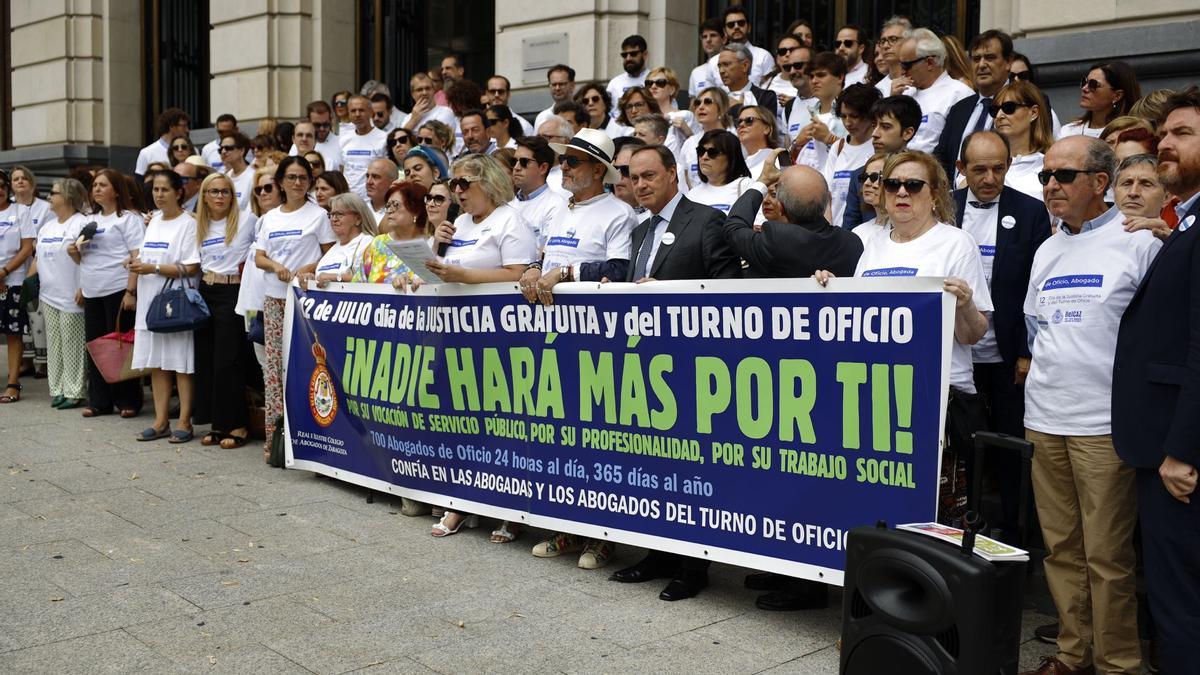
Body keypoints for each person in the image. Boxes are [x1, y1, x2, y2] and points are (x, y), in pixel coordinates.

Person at [1020, 136, 1159, 675]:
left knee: (1107, 558)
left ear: (1100, 184)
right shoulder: (1047, 249)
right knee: (1061, 552)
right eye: (1046, 176)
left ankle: (1119, 665)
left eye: (1064, 176)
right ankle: (1072, 656)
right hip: (1044, 420)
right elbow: (1037, 332)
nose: (1051, 185)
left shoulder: (1140, 244)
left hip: (1104, 425)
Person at [817, 150, 992, 527]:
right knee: (878, 506)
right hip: (876, 396)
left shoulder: (956, 243)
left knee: (937, 515)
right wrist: (827, 288)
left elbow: (974, 334)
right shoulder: (869, 243)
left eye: (913, 185)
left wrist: (963, 303)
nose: (901, 192)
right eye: (891, 184)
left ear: (935, 193)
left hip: (939, 398)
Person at [610, 144, 740, 601]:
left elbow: (729, 290)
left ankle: (693, 567)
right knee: (651, 465)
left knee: (690, 468)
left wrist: (672, 293)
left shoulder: (705, 221)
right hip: (645, 365)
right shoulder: (640, 230)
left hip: (692, 366)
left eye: (649, 176)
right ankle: (656, 554)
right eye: (633, 177)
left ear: (672, 174)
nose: (641, 184)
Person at [1112, 88, 1200, 675]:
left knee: (1181, 606)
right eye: (1163, 132)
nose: (1164, 142)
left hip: (1179, 456)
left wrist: (1181, 450)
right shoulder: (1186, 225)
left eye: (1183, 133)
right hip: (1167, 444)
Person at [427, 154, 538, 538]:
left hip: (498, 339)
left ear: (488, 182)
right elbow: (441, 270)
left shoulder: (510, 219)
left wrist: (465, 275)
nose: (456, 191)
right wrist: (436, 249)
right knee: (462, 423)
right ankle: (462, 501)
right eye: (453, 184)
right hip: (455, 335)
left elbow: (518, 274)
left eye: (464, 183)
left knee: (501, 424)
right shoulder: (457, 222)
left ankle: (511, 506)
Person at [952, 131, 1052, 539]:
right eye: (980, 169)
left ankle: (1015, 538)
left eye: (999, 168)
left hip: (1009, 353)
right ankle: (963, 532)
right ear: (961, 170)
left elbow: (1038, 284)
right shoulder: (946, 208)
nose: (990, 177)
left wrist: (1027, 351)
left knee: (1011, 450)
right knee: (963, 450)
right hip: (958, 355)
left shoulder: (1030, 211)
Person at [254, 157, 334, 460]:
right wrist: (275, 265)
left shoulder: (319, 215)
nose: (298, 182)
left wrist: (307, 267)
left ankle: (312, 437)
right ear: (281, 181)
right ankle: (275, 440)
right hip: (274, 298)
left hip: (306, 299)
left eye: (303, 177)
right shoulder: (271, 217)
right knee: (274, 370)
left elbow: (330, 254)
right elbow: (259, 257)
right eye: (292, 177)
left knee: (307, 366)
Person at [126, 170, 201, 441]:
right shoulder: (153, 220)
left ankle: (184, 421)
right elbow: (144, 256)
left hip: (175, 304)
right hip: (150, 300)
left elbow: (191, 267)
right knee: (157, 362)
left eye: (164, 190)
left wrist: (152, 267)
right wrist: (135, 267)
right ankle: (160, 421)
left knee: (180, 362)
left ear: (178, 192)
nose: (158, 195)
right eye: (155, 190)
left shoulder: (188, 224)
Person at [69, 169, 144, 418]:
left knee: (120, 345)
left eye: (103, 185)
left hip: (118, 287)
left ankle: (128, 399)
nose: (97, 189)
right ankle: (100, 400)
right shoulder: (89, 220)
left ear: (116, 190)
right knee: (96, 345)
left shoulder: (128, 219)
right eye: (95, 185)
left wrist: (131, 291)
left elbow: (137, 256)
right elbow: (82, 258)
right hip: (92, 289)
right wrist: (73, 252)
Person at [192, 172, 257, 449]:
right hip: (206, 291)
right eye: (214, 192)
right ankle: (218, 424)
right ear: (204, 197)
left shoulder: (246, 220)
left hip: (233, 291)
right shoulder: (197, 225)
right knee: (207, 360)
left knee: (228, 361)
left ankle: (238, 424)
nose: (220, 197)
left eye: (225, 192)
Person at [727, 150, 864, 279]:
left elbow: (733, 228)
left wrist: (762, 181)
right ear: (826, 202)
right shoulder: (851, 243)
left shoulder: (775, 239)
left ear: (781, 208)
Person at [25, 179, 89, 409]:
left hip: (71, 293)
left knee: (72, 342)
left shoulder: (81, 223)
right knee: (54, 343)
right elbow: (38, 258)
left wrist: (83, 288)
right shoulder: (48, 226)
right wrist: (28, 287)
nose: (49, 196)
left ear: (69, 197)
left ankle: (75, 390)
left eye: (53, 193)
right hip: (48, 293)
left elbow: (89, 260)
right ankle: (58, 387)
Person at [933, 30, 1014, 182]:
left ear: (1008, 62)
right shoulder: (959, 109)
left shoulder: (1025, 103)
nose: (982, 65)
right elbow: (941, 159)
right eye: (976, 59)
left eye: (990, 57)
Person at [842, 95, 922, 229]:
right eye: (874, 126)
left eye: (885, 126)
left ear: (907, 133)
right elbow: (850, 232)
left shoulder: (923, 174)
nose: (875, 133)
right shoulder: (859, 175)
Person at [896, 28, 974, 153]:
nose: (902, 71)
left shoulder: (959, 93)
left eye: (906, 65)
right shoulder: (905, 92)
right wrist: (893, 101)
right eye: (900, 65)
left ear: (930, 63)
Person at [10, 166, 51, 380]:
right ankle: (24, 361)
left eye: (24, 178)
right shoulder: (8, 208)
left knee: (38, 314)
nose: (20, 182)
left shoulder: (45, 208)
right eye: (15, 179)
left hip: (38, 266)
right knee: (19, 314)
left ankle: (42, 363)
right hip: (14, 268)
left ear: (32, 184)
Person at [0, 171, 36, 405]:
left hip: (12, 280)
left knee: (13, 333)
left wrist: (3, 272)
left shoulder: (20, 212)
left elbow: (26, 249)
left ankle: (13, 383)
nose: (0, 189)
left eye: (3, 185)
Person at [825, 84, 882, 227]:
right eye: (843, 116)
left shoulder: (879, 149)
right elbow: (827, 194)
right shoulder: (838, 147)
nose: (848, 123)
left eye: (854, 116)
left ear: (870, 116)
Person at [353, 181, 426, 286]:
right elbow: (357, 285)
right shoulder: (378, 243)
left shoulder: (429, 244)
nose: (389, 211)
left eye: (396, 205)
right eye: (388, 205)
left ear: (416, 211)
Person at [297, 192, 376, 288]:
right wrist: (311, 279)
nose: (334, 219)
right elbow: (322, 279)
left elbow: (371, 280)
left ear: (358, 219)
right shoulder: (333, 248)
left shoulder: (368, 243)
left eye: (339, 214)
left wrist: (335, 277)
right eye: (332, 214)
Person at [992, 81, 1055, 199]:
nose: (999, 115)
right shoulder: (981, 162)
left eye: (1009, 108)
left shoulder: (1053, 166)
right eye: (994, 110)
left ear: (1034, 112)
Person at [791, 52, 847, 171]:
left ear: (840, 77)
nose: (814, 81)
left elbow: (862, 151)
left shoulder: (853, 110)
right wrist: (796, 144)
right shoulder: (807, 113)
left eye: (821, 75)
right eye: (811, 77)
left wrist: (830, 139)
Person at [1059, 61, 1141, 139]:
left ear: (1117, 95)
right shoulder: (1069, 131)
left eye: (1093, 84)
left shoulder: (1131, 133)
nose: (1084, 88)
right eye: (1084, 82)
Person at [512, 136, 567, 247]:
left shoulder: (556, 206)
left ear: (543, 168)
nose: (516, 167)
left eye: (524, 162)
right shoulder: (506, 203)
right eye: (514, 161)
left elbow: (546, 252)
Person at [705, 5, 774, 89]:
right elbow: (710, 94)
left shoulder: (764, 56)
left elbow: (768, 92)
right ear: (724, 31)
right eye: (731, 25)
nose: (736, 27)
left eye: (741, 23)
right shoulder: (713, 62)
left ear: (749, 27)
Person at [686, 129, 753, 215]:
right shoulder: (692, 195)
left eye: (712, 152)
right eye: (701, 151)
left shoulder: (747, 187)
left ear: (731, 157)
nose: (704, 157)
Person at [681, 87, 733, 189]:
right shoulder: (689, 143)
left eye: (708, 102)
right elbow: (685, 178)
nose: (701, 107)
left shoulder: (734, 140)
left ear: (722, 108)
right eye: (697, 103)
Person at [339, 95, 389, 199]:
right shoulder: (343, 140)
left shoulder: (384, 139)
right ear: (348, 113)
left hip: (373, 201)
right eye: (353, 111)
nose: (357, 114)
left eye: (361, 110)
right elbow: (343, 170)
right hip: (349, 201)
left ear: (371, 112)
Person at [1113, 155, 1171, 243]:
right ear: (1114, 190)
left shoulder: (1176, 240)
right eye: (1127, 183)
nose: (1133, 193)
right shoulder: (1089, 229)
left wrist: (1171, 244)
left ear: (1166, 197)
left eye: (1146, 184)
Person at [718, 43, 778, 124]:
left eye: (726, 64)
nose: (721, 71)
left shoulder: (765, 97)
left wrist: (737, 109)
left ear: (745, 66)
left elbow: (766, 130)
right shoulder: (718, 100)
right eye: (719, 66)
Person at [645, 68, 697, 149]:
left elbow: (697, 148)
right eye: (649, 83)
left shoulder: (685, 115)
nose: (653, 86)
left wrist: (688, 132)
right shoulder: (643, 117)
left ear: (672, 90)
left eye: (660, 83)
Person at [136, 107, 190, 179]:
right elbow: (139, 183)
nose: (187, 130)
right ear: (172, 126)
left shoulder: (192, 150)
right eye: (183, 126)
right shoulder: (147, 153)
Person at [849, 152, 889, 243]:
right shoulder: (858, 232)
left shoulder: (904, 232)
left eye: (875, 177)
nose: (866, 183)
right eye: (864, 177)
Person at [873, 16, 913, 98]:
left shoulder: (919, 81)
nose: (886, 46)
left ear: (908, 41)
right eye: (883, 41)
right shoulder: (877, 89)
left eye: (893, 39)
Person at [736, 105, 781, 175]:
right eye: (739, 122)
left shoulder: (776, 159)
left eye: (749, 120)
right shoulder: (736, 164)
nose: (741, 124)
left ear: (766, 129)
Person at [607, 35, 649, 108]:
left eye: (633, 54)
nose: (628, 58)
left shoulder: (655, 81)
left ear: (645, 54)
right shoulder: (614, 83)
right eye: (624, 55)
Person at [688, 18, 725, 97]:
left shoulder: (733, 67)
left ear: (724, 39)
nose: (708, 40)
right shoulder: (696, 72)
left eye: (713, 35)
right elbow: (693, 104)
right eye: (704, 36)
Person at [220, 132, 256, 211]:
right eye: (221, 149)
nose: (223, 151)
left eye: (228, 148)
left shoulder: (253, 176)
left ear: (241, 151)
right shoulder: (226, 176)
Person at [535, 64, 577, 131]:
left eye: (561, 84)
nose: (557, 88)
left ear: (572, 85)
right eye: (554, 84)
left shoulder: (583, 114)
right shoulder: (542, 118)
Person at [364, 158, 398, 224]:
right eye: (367, 176)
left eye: (375, 177)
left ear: (392, 182)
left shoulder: (402, 212)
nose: (369, 182)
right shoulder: (358, 210)